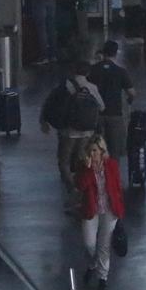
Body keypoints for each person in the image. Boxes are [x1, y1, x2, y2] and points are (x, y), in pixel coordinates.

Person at [40, 61, 104, 204]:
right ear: (88, 73)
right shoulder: (92, 87)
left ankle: (73, 189)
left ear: (74, 70)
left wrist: (44, 120)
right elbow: (101, 107)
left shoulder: (66, 85)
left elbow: (50, 101)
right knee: (82, 160)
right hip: (87, 130)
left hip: (68, 130)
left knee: (64, 161)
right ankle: (82, 188)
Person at [74, 134, 125, 290]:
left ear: (102, 151)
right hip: (92, 209)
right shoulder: (84, 167)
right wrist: (89, 169)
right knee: (89, 243)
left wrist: (119, 209)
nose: (92, 155)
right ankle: (93, 264)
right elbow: (80, 186)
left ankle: (103, 277)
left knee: (104, 245)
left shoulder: (112, 165)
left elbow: (117, 187)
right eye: (89, 151)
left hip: (109, 210)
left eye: (95, 151)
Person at [89, 41, 136, 160]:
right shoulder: (120, 71)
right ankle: (112, 174)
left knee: (96, 148)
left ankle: (97, 174)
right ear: (115, 53)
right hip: (115, 114)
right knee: (114, 151)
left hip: (96, 114)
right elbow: (131, 93)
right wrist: (129, 100)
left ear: (103, 52)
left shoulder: (93, 70)